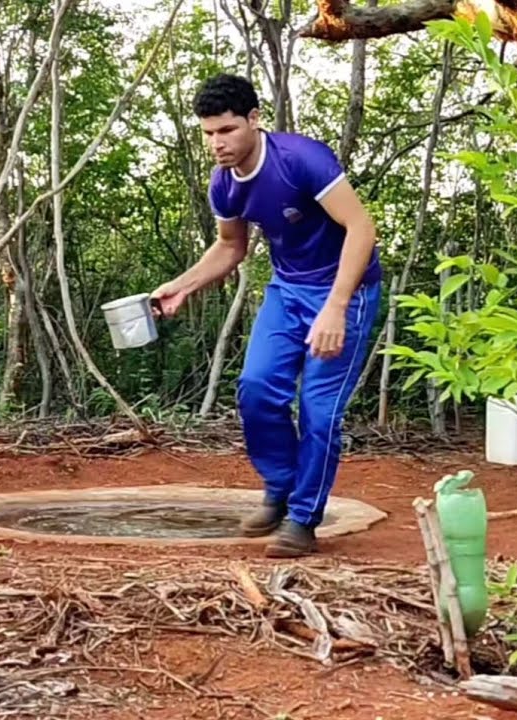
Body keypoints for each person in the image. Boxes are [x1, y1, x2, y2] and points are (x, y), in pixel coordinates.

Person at [151, 73, 382, 557]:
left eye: (228, 130)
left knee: (319, 411)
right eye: (209, 133)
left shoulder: (302, 161)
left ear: (254, 120)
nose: (218, 143)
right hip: (287, 290)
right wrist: (182, 285)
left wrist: (336, 308)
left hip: (346, 290)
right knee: (256, 389)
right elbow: (230, 247)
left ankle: (302, 519)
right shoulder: (224, 185)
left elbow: (362, 227)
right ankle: (280, 487)